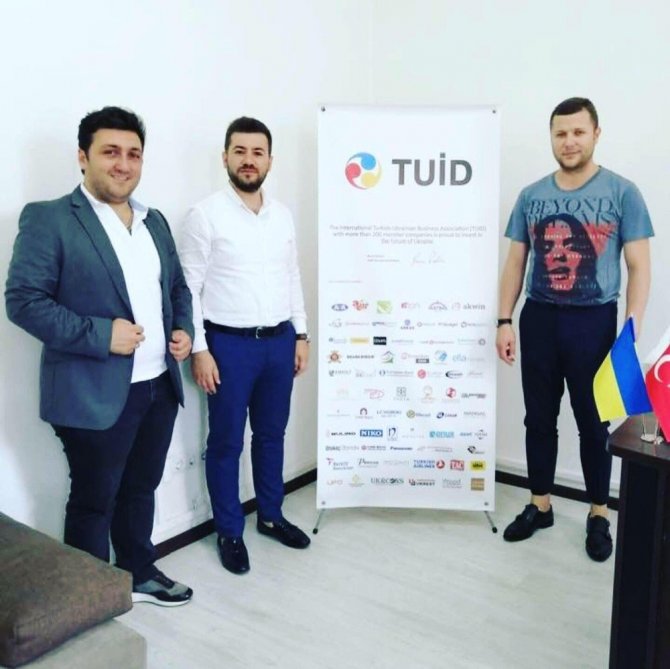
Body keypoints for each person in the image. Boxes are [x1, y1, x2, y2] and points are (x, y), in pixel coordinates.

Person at [5, 106, 194, 605]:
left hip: (158, 385)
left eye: (134, 154)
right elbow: (23, 301)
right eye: (111, 151)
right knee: (94, 501)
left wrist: (182, 330)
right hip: (92, 392)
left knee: (141, 488)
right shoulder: (49, 218)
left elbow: (177, 288)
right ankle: (87, 602)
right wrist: (101, 334)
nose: (123, 164)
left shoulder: (154, 221)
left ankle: (138, 572)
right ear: (83, 157)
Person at [496, 97, 653, 561]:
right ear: (552, 137)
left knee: (593, 423)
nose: (569, 141)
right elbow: (515, 262)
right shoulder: (531, 195)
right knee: (538, 419)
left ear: (596, 134)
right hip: (539, 319)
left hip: (594, 322)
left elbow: (639, 265)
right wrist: (504, 319)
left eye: (578, 132)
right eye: (561, 133)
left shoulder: (622, 192)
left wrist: (631, 327)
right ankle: (539, 505)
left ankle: (599, 513)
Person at [179, 116, 311, 575]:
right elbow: (188, 288)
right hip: (228, 347)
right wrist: (199, 349)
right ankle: (229, 531)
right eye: (240, 151)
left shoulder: (282, 215)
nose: (249, 160)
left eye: (258, 152)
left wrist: (301, 334)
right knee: (226, 442)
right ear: (225, 158)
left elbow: (291, 275)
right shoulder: (204, 215)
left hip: (278, 343)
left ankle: (271, 516)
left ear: (270, 160)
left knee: (272, 435)